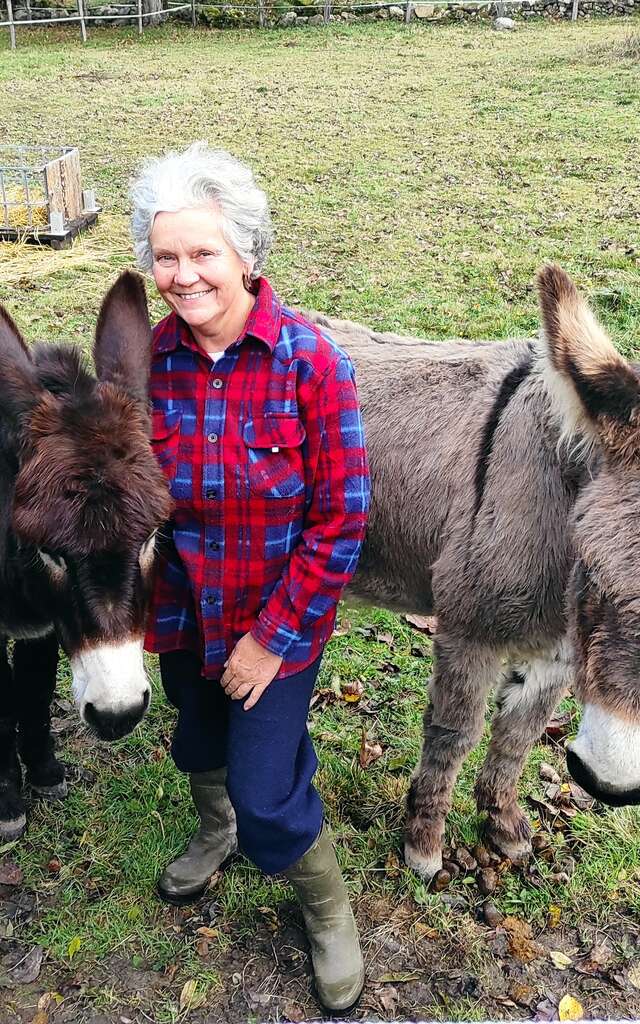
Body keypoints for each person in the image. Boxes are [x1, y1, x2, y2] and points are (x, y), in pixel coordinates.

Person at [129, 142, 370, 1013]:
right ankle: (214, 827)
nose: (184, 276)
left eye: (204, 253)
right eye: (166, 256)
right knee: (198, 747)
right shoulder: (147, 366)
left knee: (268, 789)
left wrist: (270, 642)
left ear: (248, 256)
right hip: (184, 615)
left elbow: (342, 520)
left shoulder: (311, 364)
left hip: (278, 622)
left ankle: (328, 911)